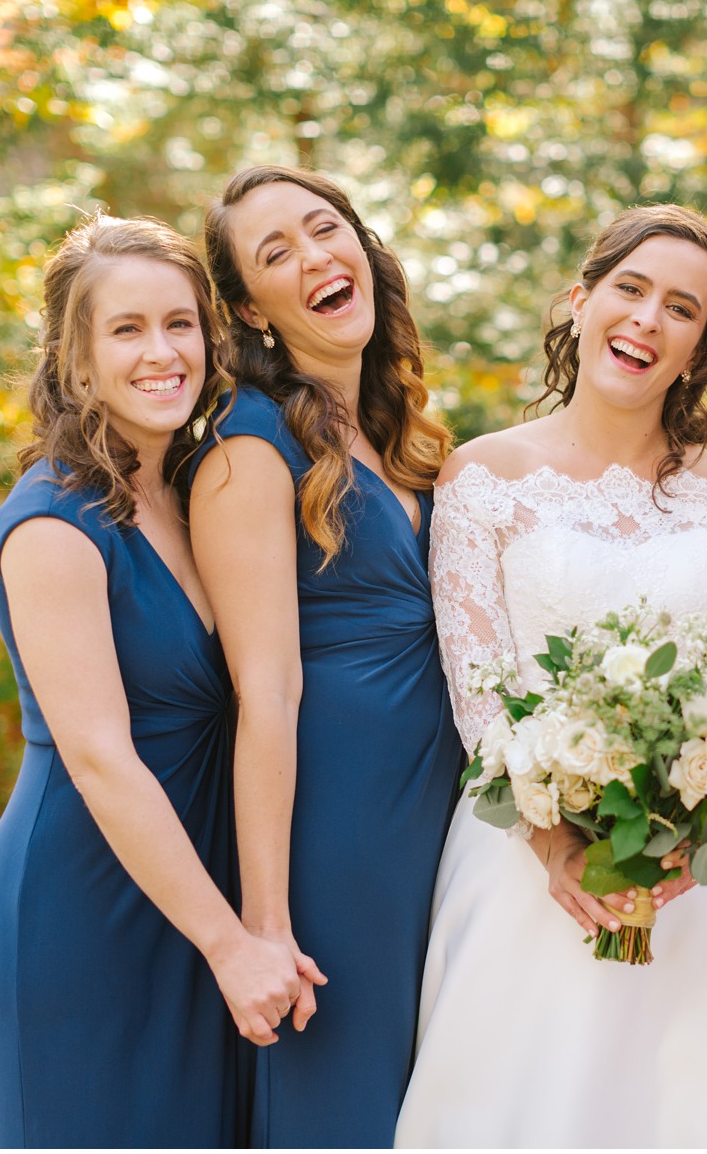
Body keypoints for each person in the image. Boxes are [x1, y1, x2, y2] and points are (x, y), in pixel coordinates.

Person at [395, 204, 707, 1148]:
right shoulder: (481, 480)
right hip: (525, 854)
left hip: (701, 873)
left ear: (699, 347)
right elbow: (482, 692)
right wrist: (559, 844)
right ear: (582, 301)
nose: (646, 319)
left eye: (681, 308)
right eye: (630, 289)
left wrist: (689, 825)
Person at [0, 214, 305, 1148]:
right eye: (127, 330)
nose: (163, 352)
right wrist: (232, 944)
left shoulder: (189, 488)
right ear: (75, 360)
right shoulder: (52, 526)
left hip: (192, 894)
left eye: (181, 323)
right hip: (83, 906)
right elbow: (102, 759)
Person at [192, 165, 464, 1147]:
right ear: (253, 312)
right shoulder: (248, 451)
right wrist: (266, 920)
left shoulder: (407, 438)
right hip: (335, 834)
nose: (314, 258)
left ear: (363, 245)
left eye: (323, 228)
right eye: (276, 254)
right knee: (343, 1107)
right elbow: (261, 694)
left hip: (445, 826)